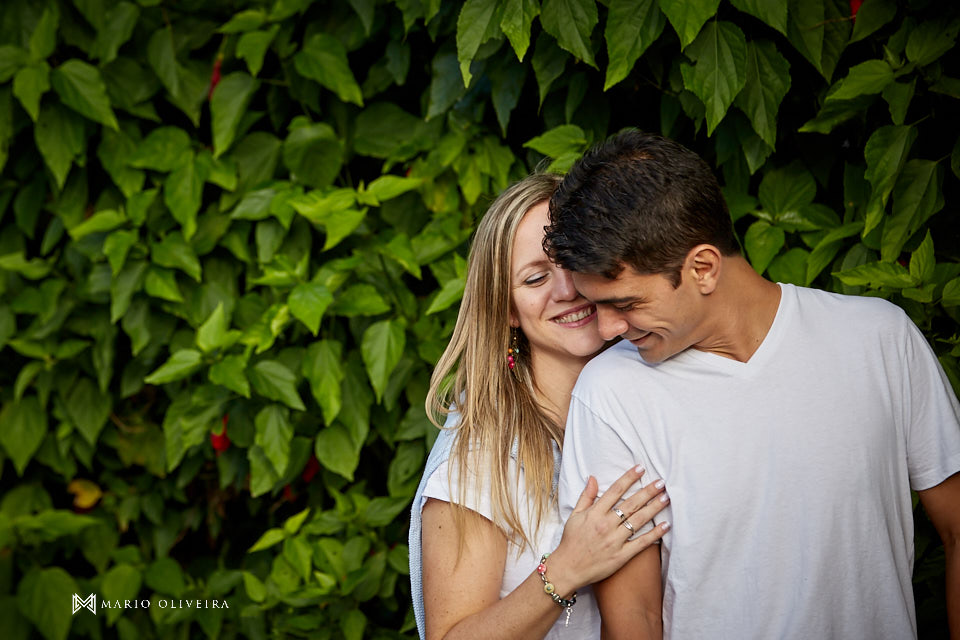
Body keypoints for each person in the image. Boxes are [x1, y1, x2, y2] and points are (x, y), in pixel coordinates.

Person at [543, 130, 960, 639]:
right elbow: (635, 618)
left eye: (626, 304)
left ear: (703, 267)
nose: (606, 331)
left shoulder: (879, 338)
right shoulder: (611, 393)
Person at [408, 173, 672, 640]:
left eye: (573, 261)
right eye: (535, 278)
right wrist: (567, 568)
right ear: (507, 309)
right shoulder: (480, 453)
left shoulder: (653, 395)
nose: (567, 289)